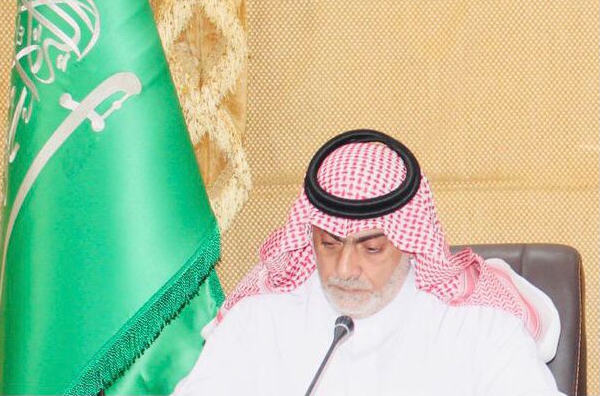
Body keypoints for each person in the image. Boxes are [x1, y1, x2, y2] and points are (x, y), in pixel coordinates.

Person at [173, 130, 564, 396]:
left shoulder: (478, 326)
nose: (344, 269)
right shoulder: (258, 321)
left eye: (371, 249)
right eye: (329, 244)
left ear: (408, 241)